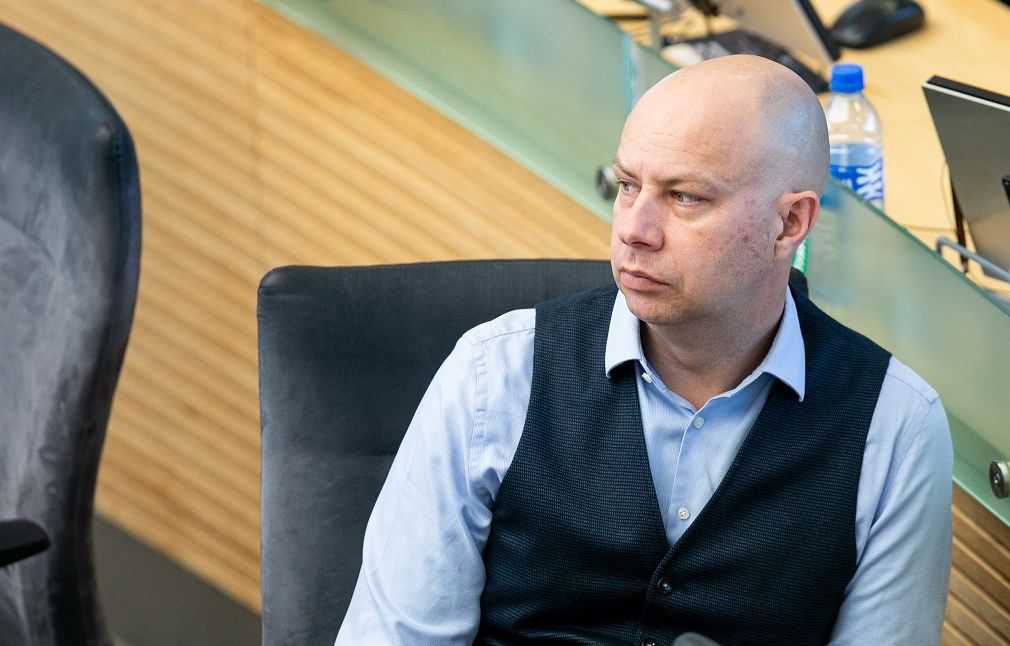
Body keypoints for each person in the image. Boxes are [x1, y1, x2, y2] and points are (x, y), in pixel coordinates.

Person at [335, 55, 952, 645]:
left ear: (790, 224)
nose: (634, 229)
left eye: (686, 197)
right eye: (628, 185)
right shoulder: (491, 375)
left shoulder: (895, 426)